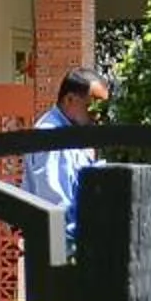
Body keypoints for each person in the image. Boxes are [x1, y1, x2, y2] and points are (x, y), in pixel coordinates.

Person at [21, 68, 112, 241]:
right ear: (69, 99)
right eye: (90, 107)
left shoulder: (73, 134)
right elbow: (55, 204)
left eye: (101, 109)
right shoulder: (51, 137)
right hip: (61, 248)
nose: (97, 116)